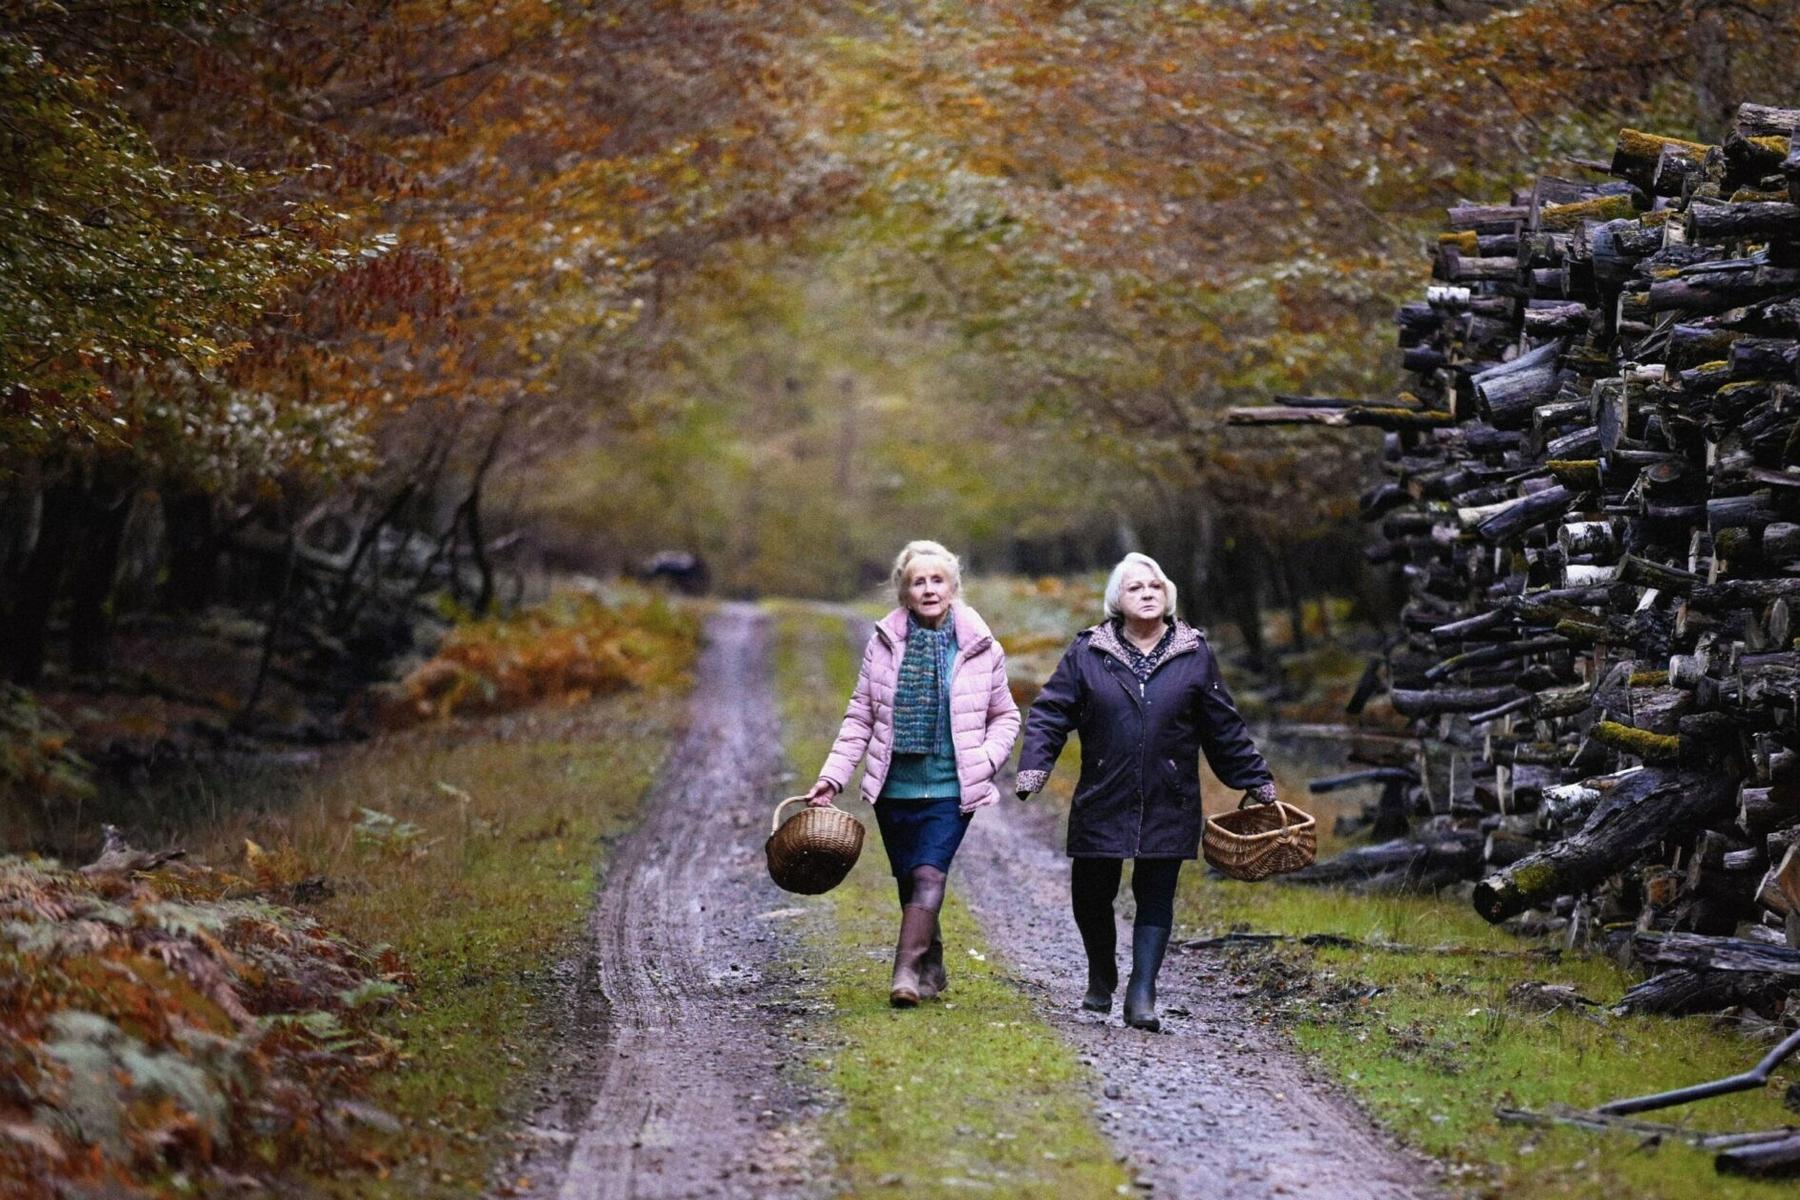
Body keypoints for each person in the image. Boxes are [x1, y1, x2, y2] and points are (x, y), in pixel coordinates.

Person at [1015, 552, 1275, 1031]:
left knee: (1156, 893)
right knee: (1091, 893)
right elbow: (1051, 712)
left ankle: (1142, 992)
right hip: (1103, 790)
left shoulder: (1194, 652)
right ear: (1118, 599)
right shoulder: (1088, 651)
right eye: (1136, 587)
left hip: (1169, 793)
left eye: (1155, 585)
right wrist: (1035, 766)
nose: (1148, 593)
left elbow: (1223, 725)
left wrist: (1255, 779)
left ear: (1168, 594)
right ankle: (1101, 972)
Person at [806, 540, 1021, 1007]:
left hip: (951, 787)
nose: (928, 589)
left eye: (937, 580)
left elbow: (1005, 716)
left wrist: (985, 760)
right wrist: (832, 777)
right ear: (903, 593)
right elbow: (860, 717)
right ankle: (931, 963)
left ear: (953, 587)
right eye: (918, 582)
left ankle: (903, 973)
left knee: (929, 874)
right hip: (894, 788)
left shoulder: (981, 647)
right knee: (910, 880)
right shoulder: (883, 645)